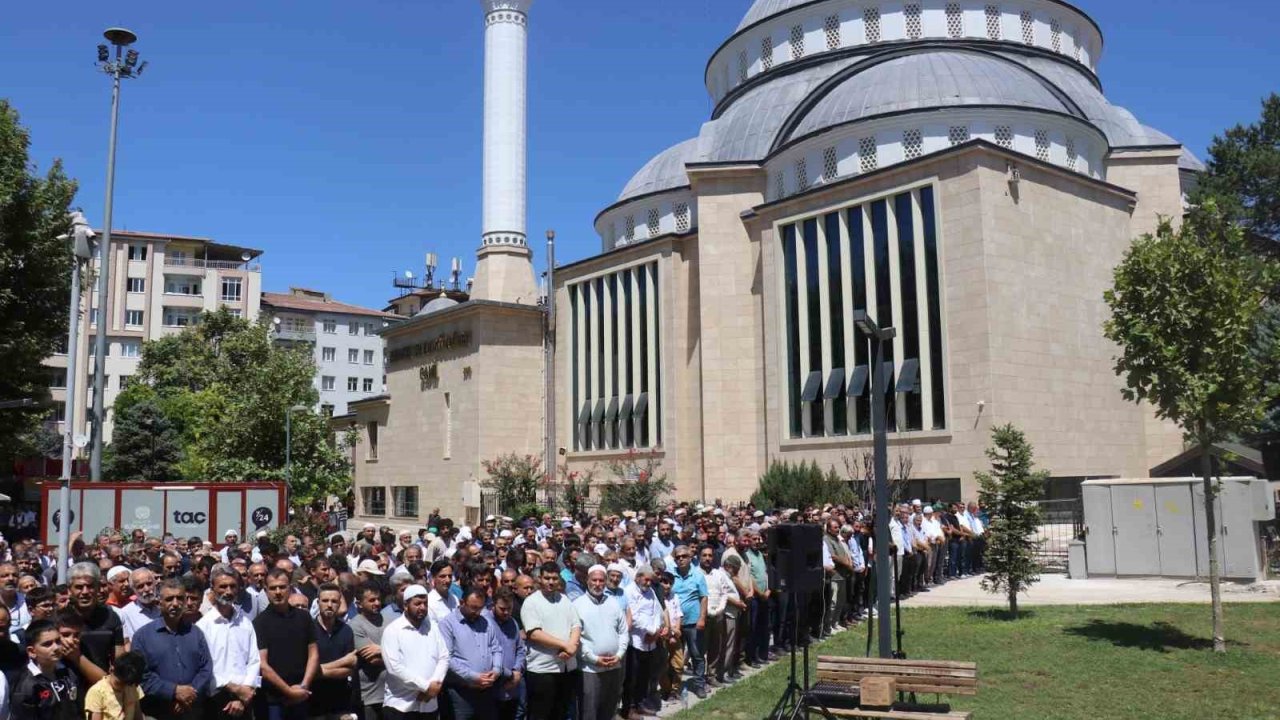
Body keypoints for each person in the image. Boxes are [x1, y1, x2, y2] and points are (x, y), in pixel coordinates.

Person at [130, 578, 213, 720]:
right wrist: (173, 692)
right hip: (158, 712)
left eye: (180, 598)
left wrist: (189, 694)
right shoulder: (142, 636)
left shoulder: (196, 633)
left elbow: (205, 667)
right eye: (169, 599)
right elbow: (142, 675)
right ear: (159, 602)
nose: (175, 603)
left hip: (193, 711)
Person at [196, 565, 261, 720]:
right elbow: (205, 666)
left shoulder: (245, 623)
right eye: (223, 586)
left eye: (233, 586)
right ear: (212, 589)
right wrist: (233, 688)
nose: (228, 591)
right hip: (216, 699)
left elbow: (254, 660)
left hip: (245, 699)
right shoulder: (203, 626)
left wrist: (244, 692)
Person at [255, 568, 319, 720]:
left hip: (303, 695)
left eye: (282, 587)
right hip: (274, 701)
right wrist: (289, 692)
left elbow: (314, 654)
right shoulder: (259, 623)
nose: (278, 592)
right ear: (265, 590)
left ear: (290, 588)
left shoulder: (304, 618)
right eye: (273, 588)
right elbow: (263, 665)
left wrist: (303, 686)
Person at [520, 562, 581, 720]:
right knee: (541, 714)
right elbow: (534, 634)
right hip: (542, 670)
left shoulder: (564, 599)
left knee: (560, 713)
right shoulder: (531, 602)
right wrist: (565, 645)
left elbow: (576, 625)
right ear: (540, 579)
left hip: (566, 667)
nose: (551, 582)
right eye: (547, 578)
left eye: (554, 578)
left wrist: (572, 647)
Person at [380, 585, 448, 720]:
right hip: (401, 706)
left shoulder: (433, 628)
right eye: (417, 604)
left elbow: (444, 656)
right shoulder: (393, 630)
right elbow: (394, 667)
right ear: (405, 605)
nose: (422, 607)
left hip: (429, 705)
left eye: (425, 603)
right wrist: (426, 687)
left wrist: (435, 684)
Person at [438, 587, 503, 720]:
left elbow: (496, 648)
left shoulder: (485, 622)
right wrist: (473, 676)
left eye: (480, 608)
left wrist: (496, 670)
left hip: (486, 690)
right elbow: (447, 658)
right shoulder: (447, 624)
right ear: (462, 602)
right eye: (473, 608)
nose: (477, 612)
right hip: (461, 691)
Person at [573, 565, 628, 720]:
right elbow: (577, 639)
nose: (597, 584)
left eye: (601, 580)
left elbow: (623, 631)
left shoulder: (613, 603)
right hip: (590, 669)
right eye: (594, 580)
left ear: (605, 582)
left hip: (614, 665)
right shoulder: (577, 605)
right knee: (589, 712)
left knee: (609, 709)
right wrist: (594, 659)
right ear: (587, 581)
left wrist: (619, 654)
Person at [65, 563, 123, 691]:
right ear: (69, 590)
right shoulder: (60, 620)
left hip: (103, 692)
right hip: (68, 692)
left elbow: (119, 661)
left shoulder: (111, 617)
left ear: (98, 588)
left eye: (90, 586)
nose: (85, 592)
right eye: (79, 587)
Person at [11, 619, 79, 720]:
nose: (56, 647)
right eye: (47, 644)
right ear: (31, 651)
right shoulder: (26, 686)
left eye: (58, 641)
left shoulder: (67, 673)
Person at [311, 584, 356, 720]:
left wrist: (318, 670)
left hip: (340, 704)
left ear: (340, 603)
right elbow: (304, 670)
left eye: (334, 601)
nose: (329, 605)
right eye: (325, 601)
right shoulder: (308, 630)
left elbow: (349, 669)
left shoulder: (346, 630)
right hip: (312, 705)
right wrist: (343, 661)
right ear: (318, 602)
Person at [622, 566, 662, 718]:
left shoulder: (650, 592)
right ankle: (629, 708)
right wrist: (651, 631)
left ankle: (640, 703)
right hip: (636, 641)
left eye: (650, 580)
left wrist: (656, 631)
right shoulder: (629, 591)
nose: (648, 583)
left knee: (644, 676)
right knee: (632, 677)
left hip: (650, 642)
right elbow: (633, 616)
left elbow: (657, 611)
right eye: (646, 579)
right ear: (637, 577)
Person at [670, 545, 707, 698]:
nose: (681, 559)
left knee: (697, 655)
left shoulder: (698, 575)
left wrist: (702, 618)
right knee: (674, 657)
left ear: (690, 557)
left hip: (693, 622)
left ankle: (699, 685)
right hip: (676, 624)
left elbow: (703, 597)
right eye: (677, 557)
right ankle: (674, 688)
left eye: (684, 556)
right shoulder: (671, 575)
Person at [485, 588, 525, 720]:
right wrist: (510, 674)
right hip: (492, 687)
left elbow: (520, 649)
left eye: (509, 608)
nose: (506, 612)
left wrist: (517, 671)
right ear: (494, 604)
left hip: (512, 687)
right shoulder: (485, 623)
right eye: (502, 609)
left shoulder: (512, 623)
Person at [349, 585, 387, 720]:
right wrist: (398, 657)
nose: (377, 603)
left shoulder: (388, 620)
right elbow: (373, 660)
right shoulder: (355, 626)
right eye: (371, 600)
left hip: (392, 694)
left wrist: (381, 650)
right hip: (371, 696)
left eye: (378, 599)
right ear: (359, 604)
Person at [84, 650, 145, 720]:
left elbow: (138, 715)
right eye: (118, 683)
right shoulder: (97, 692)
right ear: (111, 669)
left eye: (126, 685)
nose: (122, 688)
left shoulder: (133, 686)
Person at [119, 569, 160, 646]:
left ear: (155, 584)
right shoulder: (125, 613)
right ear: (133, 589)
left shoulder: (164, 608)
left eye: (149, 584)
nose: (147, 589)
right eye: (140, 586)